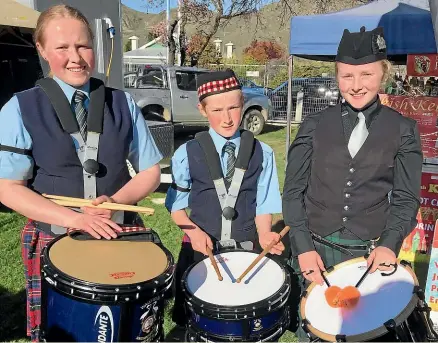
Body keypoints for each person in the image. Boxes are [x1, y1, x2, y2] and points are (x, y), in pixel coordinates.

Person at [0, 5, 162, 342]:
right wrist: (76, 218)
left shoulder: (124, 104)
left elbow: (150, 172)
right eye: (61, 48)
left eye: (83, 45)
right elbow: (8, 188)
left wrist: (116, 200)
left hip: (119, 230)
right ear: (42, 50)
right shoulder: (20, 109)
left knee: (126, 329)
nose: (75, 57)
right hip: (55, 238)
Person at [282, 26, 422, 339]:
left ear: (383, 74)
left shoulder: (404, 130)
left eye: (367, 75)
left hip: (367, 256)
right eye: (347, 76)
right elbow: (292, 192)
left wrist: (389, 244)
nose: (356, 86)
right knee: (319, 332)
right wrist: (303, 248)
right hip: (316, 251)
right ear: (337, 76)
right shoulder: (314, 124)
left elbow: (405, 198)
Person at [165, 69, 285, 327]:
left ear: (243, 104)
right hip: (199, 250)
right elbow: (176, 207)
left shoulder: (263, 152)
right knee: (198, 324)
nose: (227, 118)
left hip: (246, 251)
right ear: (202, 109)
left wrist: (264, 233)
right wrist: (194, 234)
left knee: (243, 323)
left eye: (233, 108)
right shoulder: (187, 153)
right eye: (217, 110)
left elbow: (264, 202)